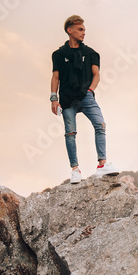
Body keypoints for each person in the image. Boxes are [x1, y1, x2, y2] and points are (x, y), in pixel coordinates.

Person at [50, 15, 119, 184]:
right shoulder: (59, 54)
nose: (83, 33)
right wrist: (53, 98)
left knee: (100, 125)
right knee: (70, 133)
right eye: (80, 29)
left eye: (84, 30)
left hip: (86, 96)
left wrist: (90, 90)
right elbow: (55, 77)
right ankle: (75, 169)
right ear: (70, 30)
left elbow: (96, 75)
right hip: (67, 99)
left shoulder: (91, 53)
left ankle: (102, 165)